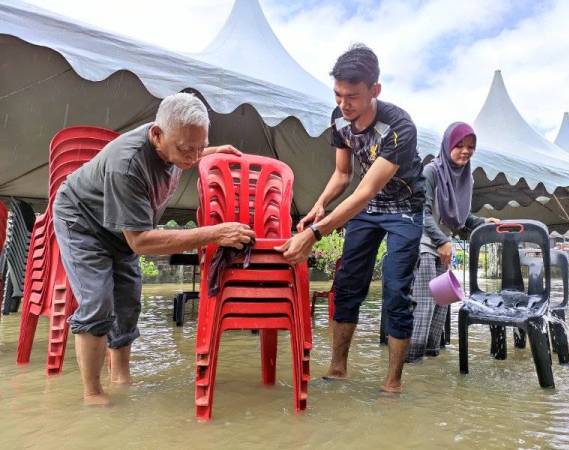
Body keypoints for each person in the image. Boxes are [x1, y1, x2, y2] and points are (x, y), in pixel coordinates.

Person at [53, 93, 255, 405]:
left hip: (121, 227)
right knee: (98, 301)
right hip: (83, 221)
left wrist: (211, 152)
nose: (193, 157)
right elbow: (141, 242)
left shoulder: (175, 144)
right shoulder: (128, 165)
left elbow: (186, 149)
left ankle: (120, 376)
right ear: (156, 134)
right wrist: (215, 233)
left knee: (129, 299)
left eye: (200, 146)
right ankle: (91, 392)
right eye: (187, 150)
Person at [275, 44, 425, 393]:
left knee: (395, 290)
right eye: (338, 95)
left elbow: (366, 191)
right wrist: (319, 205)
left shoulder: (400, 127)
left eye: (353, 96)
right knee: (347, 285)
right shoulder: (339, 118)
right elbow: (343, 175)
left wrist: (315, 232)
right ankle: (338, 369)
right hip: (368, 209)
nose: (344, 104)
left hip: (403, 208)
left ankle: (392, 383)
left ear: (375, 90)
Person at [407, 122, 499, 363]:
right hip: (424, 246)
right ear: (448, 144)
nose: (465, 151)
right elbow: (421, 212)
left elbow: (460, 217)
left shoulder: (464, 179)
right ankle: (412, 362)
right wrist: (440, 241)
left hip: (443, 250)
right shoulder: (431, 172)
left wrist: (482, 222)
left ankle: (430, 367)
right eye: (459, 145)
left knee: (441, 307)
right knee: (425, 306)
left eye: (470, 146)